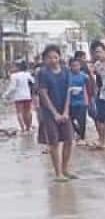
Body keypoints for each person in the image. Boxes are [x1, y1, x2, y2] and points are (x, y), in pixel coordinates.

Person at [35, 45, 74, 181]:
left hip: (64, 111)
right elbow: (43, 94)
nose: (52, 60)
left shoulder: (66, 71)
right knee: (54, 142)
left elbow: (69, 91)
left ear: (59, 57)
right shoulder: (43, 73)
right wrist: (55, 113)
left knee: (69, 140)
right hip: (49, 113)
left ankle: (65, 169)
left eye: (55, 57)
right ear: (44, 59)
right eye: (49, 57)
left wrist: (66, 111)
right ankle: (58, 172)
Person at [66, 52, 90, 143]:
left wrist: (89, 100)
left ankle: (82, 138)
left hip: (82, 102)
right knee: (69, 120)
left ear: (80, 66)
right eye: (73, 66)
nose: (75, 67)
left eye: (77, 65)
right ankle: (77, 132)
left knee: (82, 121)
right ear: (70, 66)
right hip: (70, 102)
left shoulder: (84, 76)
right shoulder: (67, 76)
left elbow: (89, 87)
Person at [5, 60, 34, 132]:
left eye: (14, 66)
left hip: (18, 97)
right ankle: (29, 127)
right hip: (27, 96)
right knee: (28, 111)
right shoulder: (27, 74)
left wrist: (6, 95)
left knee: (19, 112)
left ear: (18, 67)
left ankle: (22, 128)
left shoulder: (14, 76)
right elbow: (33, 82)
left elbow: (12, 87)